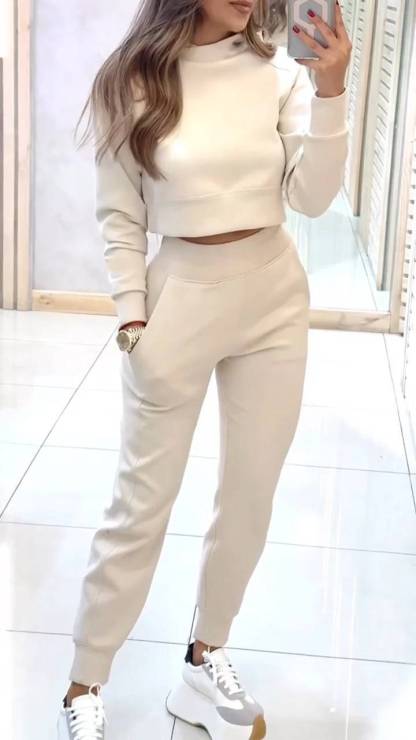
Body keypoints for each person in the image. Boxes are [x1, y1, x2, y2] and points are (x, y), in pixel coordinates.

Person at [57, 0, 352, 738]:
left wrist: (331, 91)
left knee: (250, 495)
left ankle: (204, 658)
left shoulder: (276, 72)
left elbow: (312, 199)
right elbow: (119, 213)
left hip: (273, 297)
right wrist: (133, 318)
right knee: (141, 505)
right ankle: (84, 684)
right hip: (179, 301)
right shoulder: (131, 80)